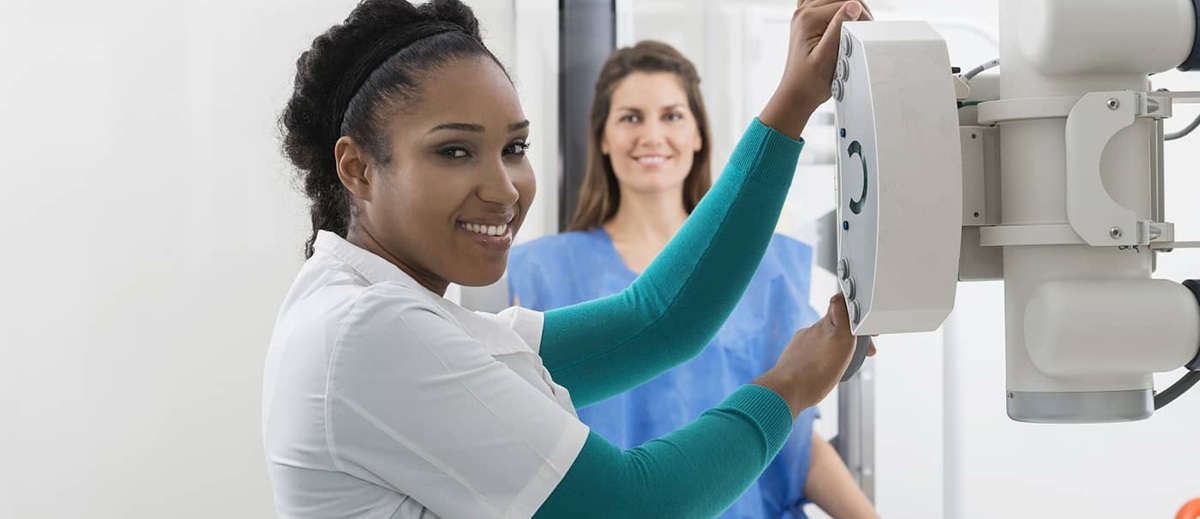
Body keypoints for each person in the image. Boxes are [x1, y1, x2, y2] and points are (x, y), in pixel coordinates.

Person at [262, 0, 870, 517]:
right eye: (454, 151)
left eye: (514, 147)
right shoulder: (369, 329)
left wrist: (794, 100)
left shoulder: (391, 315)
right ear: (357, 167)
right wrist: (789, 389)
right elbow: (633, 505)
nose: (502, 188)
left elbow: (658, 321)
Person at [507, 40, 877, 519]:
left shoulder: (765, 265)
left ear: (700, 134)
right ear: (602, 137)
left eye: (672, 116)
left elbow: (793, 431)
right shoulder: (541, 271)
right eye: (631, 117)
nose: (652, 135)